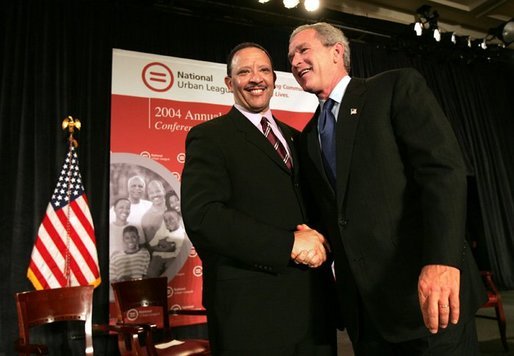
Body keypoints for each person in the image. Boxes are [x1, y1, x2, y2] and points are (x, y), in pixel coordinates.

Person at [288, 22, 487, 355]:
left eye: (303, 50)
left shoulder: (394, 87)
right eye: (291, 55)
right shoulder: (308, 137)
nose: (295, 61)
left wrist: (442, 260)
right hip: (368, 319)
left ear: (337, 51)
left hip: (427, 298)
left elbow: (443, 173)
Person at [181, 42, 336, 356]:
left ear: (275, 81)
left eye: (264, 70)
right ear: (229, 83)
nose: (256, 78)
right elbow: (204, 217)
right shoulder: (209, 137)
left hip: (312, 309)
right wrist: (288, 244)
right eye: (244, 71)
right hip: (249, 315)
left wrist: (325, 241)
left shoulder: (299, 137)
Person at [146, 208, 185, 278]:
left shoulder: (182, 233)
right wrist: (166, 248)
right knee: (150, 274)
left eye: (171, 219)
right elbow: (151, 246)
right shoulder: (162, 231)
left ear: (178, 219)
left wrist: (161, 244)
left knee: (172, 274)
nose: (168, 222)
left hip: (172, 258)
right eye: (166, 220)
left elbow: (177, 252)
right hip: (157, 257)